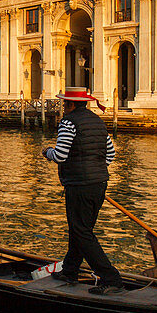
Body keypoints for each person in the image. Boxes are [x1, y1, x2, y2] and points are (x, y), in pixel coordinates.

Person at [41, 86, 123, 295]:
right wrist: (94, 170)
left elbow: (60, 155)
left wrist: (47, 152)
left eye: (64, 103)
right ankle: (70, 271)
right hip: (99, 183)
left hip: (79, 185)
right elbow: (110, 155)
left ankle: (110, 278)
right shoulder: (98, 121)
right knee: (80, 229)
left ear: (70, 104)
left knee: (82, 232)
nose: (62, 107)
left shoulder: (68, 123)